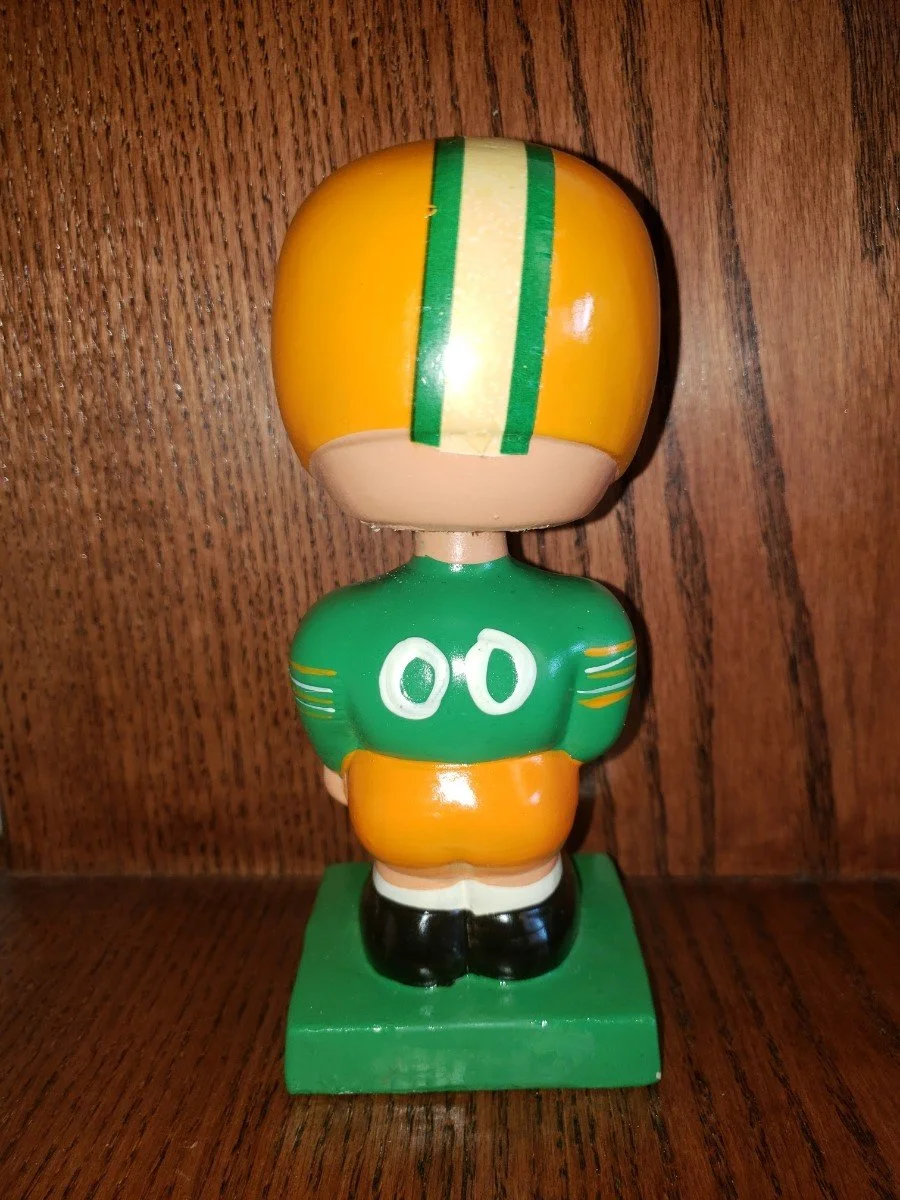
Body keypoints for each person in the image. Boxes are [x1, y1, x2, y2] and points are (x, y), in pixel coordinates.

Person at [272, 137, 659, 985]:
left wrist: (342, 761)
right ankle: (436, 911)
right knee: (432, 906)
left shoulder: (576, 620)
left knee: (504, 904)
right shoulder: (577, 619)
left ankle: (496, 910)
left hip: (508, 819)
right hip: (439, 821)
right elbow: (593, 714)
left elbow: (329, 707)